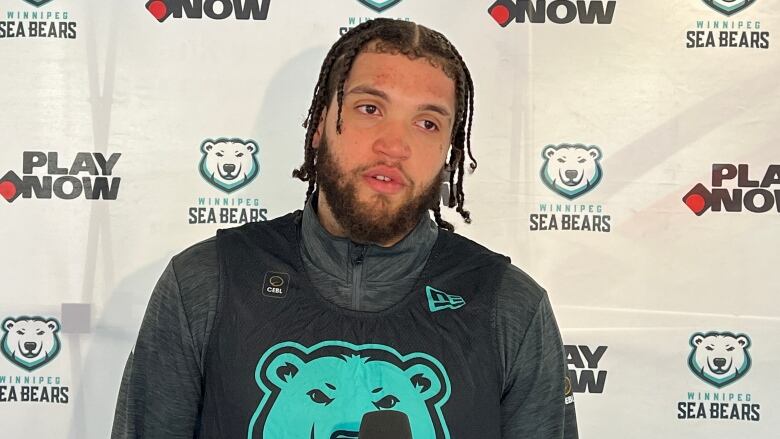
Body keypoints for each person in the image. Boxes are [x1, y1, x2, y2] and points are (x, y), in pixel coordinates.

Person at [112, 18, 578, 438]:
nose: (394, 144)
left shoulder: (510, 308)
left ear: (449, 153)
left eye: (427, 122)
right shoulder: (205, 283)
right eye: (370, 108)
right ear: (319, 126)